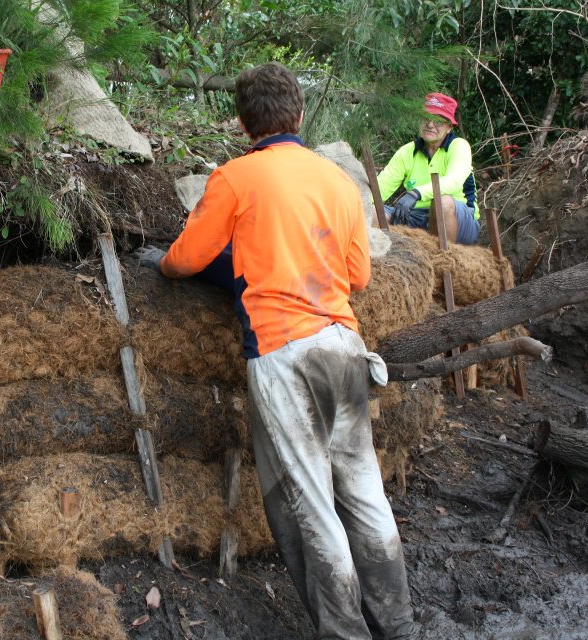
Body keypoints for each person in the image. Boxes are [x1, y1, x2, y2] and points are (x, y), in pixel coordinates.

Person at [133, 62, 417, 640]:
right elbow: (358, 275)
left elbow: (186, 259)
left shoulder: (237, 177)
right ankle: (399, 625)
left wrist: (159, 263)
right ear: (301, 115)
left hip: (285, 354)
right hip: (344, 345)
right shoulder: (337, 182)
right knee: (364, 493)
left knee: (313, 508)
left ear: (243, 124)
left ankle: (344, 634)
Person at [377, 92, 481, 244]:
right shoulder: (408, 151)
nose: (430, 125)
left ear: (449, 127)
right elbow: (380, 188)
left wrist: (416, 193)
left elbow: (454, 181)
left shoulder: (459, 146)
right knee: (372, 213)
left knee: (442, 202)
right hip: (414, 216)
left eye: (438, 121)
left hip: (458, 219)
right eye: (426, 118)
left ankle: (446, 262)